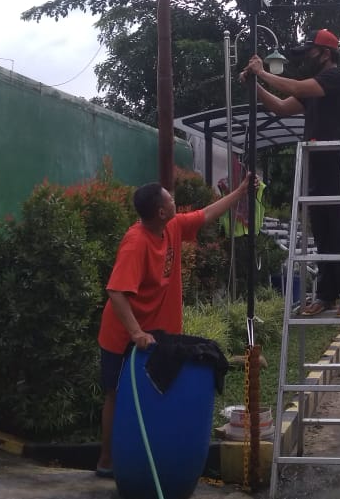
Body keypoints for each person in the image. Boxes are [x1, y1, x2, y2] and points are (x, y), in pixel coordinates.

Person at [95, 173, 252, 477]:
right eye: (171, 200)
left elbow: (207, 214)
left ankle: (147, 456)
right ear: (160, 212)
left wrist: (241, 192)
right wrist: (135, 332)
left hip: (155, 337)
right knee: (115, 396)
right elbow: (116, 292)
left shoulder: (173, 227)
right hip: (120, 336)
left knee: (153, 396)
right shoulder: (135, 243)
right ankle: (106, 460)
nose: (175, 203)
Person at [240, 28, 340, 317]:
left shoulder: (336, 77)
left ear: (325, 54)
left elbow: (296, 88)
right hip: (318, 161)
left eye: (311, 52)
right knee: (322, 230)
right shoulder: (315, 88)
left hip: (338, 159)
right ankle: (327, 295)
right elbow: (281, 107)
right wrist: (255, 84)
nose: (307, 58)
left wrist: (263, 72)